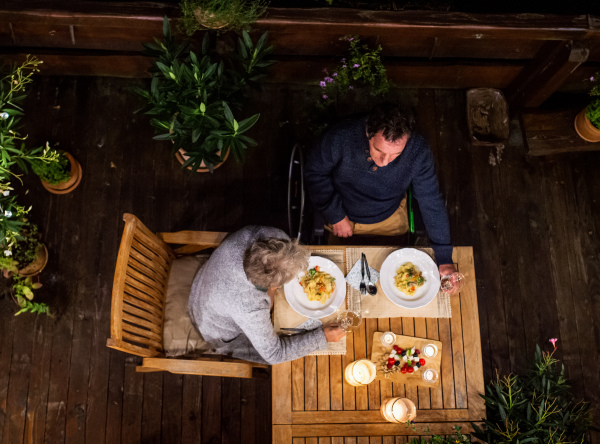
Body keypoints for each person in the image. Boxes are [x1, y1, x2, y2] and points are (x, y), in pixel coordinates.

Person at [304, 102, 456, 278]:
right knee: (339, 275)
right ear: (368, 132)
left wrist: (444, 257)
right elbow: (314, 172)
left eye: (395, 155)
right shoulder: (340, 137)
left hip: (390, 217)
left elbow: (431, 201)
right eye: (378, 150)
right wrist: (334, 213)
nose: (384, 162)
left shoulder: (418, 151)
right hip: (343, 217)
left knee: (395, 275)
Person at [188, 225, 345, 365]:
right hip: (213, 327)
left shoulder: (269, 235)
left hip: (205, 282)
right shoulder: (248, 306)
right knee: (274, 352)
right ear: (273, 286)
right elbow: (275, 354)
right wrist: (322, 337)